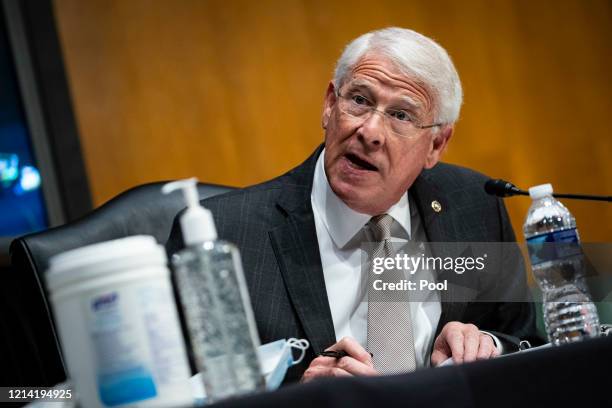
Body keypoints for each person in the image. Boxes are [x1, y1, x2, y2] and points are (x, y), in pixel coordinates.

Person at [166, 27, 536, 383]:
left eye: (401, 115)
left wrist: (487, 345)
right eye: (359, 100)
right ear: (330, 105)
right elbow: (181, 391)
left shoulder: (474, 204)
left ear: (436, 145)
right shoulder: (224, 236)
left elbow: (524, 340)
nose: (370, 132)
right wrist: (301, 401)